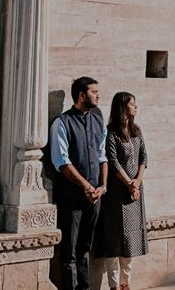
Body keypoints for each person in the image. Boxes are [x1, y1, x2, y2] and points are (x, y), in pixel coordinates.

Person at [50, 77, 109, 290]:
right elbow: (62, 161)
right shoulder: (62, 122)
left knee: (85, 247)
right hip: (71, 197)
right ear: (81, 95)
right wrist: (86, 186)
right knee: (70, 251)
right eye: (94, 91)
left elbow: (103, 156)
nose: (98, 95)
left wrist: (102, 187)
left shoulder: (98, 121)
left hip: (95, 197)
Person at [96, 92, 148, 290]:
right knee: (114, 242)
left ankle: (126, 285)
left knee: (130, 242)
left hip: (134, 193)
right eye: (132, 104)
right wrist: (129, 183)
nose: (135, 107)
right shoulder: (111, 132)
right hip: (118, 193)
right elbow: (112, 161)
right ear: (122, 107)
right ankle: (114, 286)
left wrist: (137, 183)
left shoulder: (136, 130)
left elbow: (144, 158)